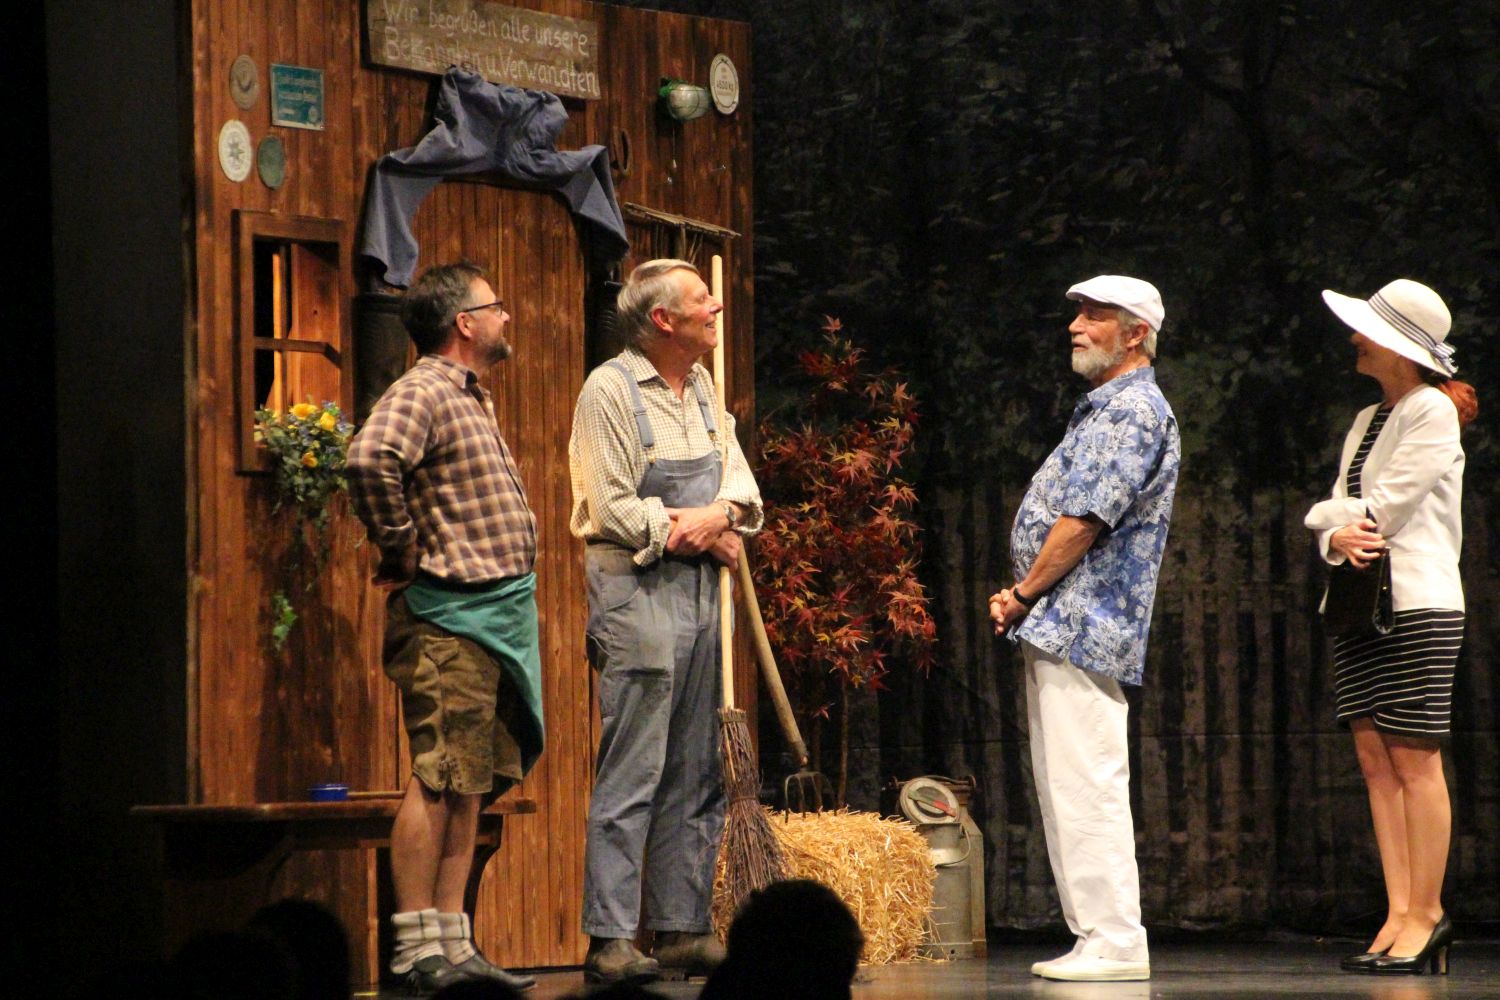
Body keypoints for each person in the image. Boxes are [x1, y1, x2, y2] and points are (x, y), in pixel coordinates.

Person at [568, 258, 763, 984]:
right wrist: (694, 529)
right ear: (663, 320)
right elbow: (611, 504)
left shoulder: (703, 387)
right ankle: (611, 938)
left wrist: (723, 514)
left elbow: (739, 482)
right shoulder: (609, 391)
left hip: (703, 593)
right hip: (637, 587)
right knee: (635, 767)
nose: (716, 308)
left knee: (696, 765)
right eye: (702, 300)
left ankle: (681, 928)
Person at [349, 262, 541, 994]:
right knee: (438, 778)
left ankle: (453, 942)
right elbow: (369, 457)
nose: (505, 317)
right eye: (496, 307)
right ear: (465, 322)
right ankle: (411, 947)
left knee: (470, 784)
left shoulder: (468, 394)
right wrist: (399, 544)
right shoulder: (425, 388)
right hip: (448, 618)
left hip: (491, 617)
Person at [988, 275, 1180, 983]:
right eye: (1077, 314)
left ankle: (1116, 939)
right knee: (1066, 783)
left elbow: (1085, 520)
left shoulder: (1133, 412)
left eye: (1095, 316)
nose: (1076, 326)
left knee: (1087, 780)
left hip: (1083, 620)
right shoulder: (1104, 409)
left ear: (1135, 334)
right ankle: (1095, 935)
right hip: (1064, 620)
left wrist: (1023, 593)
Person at [1303, 279, 1474, 976]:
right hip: (1359, 598)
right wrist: (1332, 533)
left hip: (1418, 603)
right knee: (1376, 763)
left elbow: (1384, 508)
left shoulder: (1431, 409)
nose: (1354, 338)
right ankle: (1399, 911)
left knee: (1414, 759)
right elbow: (1344, 512)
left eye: (1366, 330)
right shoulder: (1368, 418)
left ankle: (1428, 914)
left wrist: (1328, 522)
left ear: (1399, 347)